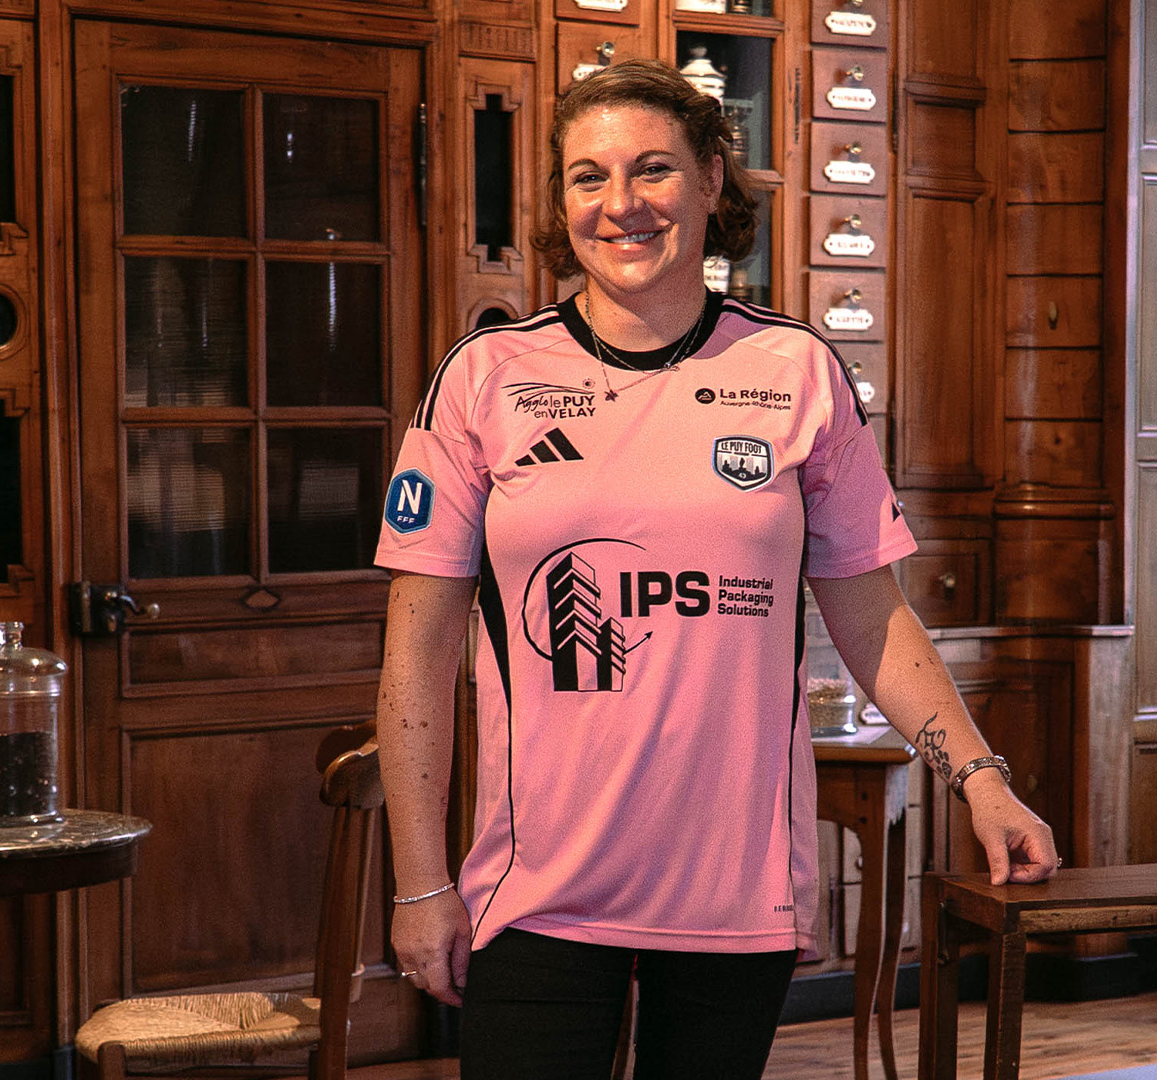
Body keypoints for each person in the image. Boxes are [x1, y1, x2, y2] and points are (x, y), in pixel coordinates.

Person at [371, 58, 1059, 1080]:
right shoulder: (485, 378)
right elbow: (417, 654)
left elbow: (872, 617)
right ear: (562, 202)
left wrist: (982, 779)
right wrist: (421, 884)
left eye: (652, 170)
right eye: (589, 177)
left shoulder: (797, 370)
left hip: (735, 893)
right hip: (537, 893)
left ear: (708, 181)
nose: (621, 204)